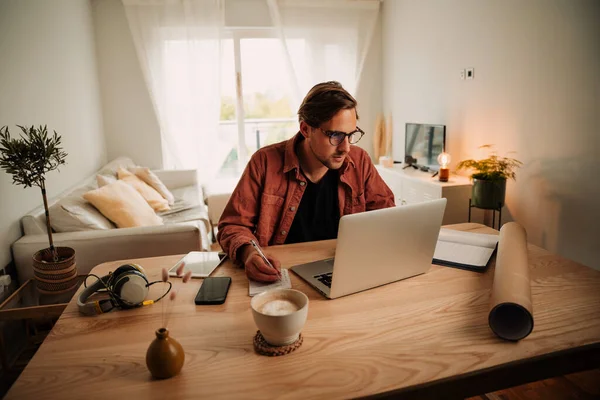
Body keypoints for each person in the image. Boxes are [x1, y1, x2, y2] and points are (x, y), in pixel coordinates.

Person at [217, 81, 395, 283]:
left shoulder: (359, 160)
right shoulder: (265, 162)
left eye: (351, 135)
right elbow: (232, 225)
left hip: (344, 271)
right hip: (282, 273)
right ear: (305, 129)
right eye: (336, 135)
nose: (345, 148)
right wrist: (249, 254)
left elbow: (386, 213)